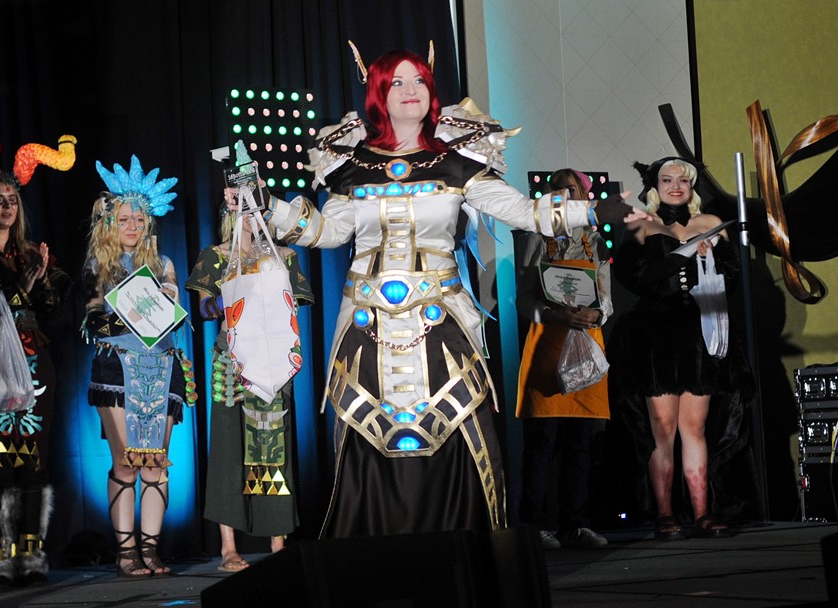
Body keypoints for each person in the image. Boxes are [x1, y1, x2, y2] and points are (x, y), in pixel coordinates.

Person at [239, 44, 647, 538]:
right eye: (397, 83)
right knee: (368, 433)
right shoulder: (350, 162)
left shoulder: (457, 159)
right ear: (379, 93)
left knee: (459, 429)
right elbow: (328, 232)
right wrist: (269, 206)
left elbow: (525, 212)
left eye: (419, 81)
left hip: (441, 321)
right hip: (368, 325)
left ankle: (466, 558)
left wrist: (597, 211)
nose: (410, 91)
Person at [608, 157, 752, 540]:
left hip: (698, 333)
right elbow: (632, 277)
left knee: (694, 427)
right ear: (655, 185)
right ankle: (665, 514)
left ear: (691, 187)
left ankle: (704, 513)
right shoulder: (641, 224)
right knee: (663, 428)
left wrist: (711, 261)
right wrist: (679, 258)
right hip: (655, 335)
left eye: (682, 180)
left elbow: (732, 278)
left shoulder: (709, 225)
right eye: (667, 179)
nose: (675, 186)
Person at [82, 155, 195, 577]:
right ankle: (126, 552)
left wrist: (161, 296)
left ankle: (151, 550)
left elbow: (171, 315)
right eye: (124, 218)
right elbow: (94, 319)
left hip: (161, 369)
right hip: (116, 369)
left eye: (139, 218)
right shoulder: (100, 266)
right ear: (111, 223)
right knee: (126, 462)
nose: (132, 225)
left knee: (155, 462)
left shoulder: (163, 264)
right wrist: (122, 308)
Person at [185, 200, 313, 571]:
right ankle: (228, 546)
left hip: (274, 356)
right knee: (229, 447)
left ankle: (277, 539)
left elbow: (294, 305)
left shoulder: (282, 255)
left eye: (256, 207)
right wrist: (230, 295)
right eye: (242, 207)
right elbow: (205, 308)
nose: (250, 215)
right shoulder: (215, 256)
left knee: (274, 444)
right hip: (233, 356)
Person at [0, 131, 75, 586]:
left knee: (32, 459)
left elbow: (54, 310)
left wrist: (43, 282)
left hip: (35, 367)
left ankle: (30, 555)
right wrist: (26, 290)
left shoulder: (31, 253)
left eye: (12, 199)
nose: (6, 206)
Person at [515, 169, 611, 549]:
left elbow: (605, 297)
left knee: (580, 444)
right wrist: (556, 314)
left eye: (571, 189)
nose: (564, 195)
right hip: (547, 347)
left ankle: (576, 523)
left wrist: (598, 314)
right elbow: (523, 301)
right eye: (557, 189)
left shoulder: (593, 241)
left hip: (587, 346)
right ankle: (534, 526)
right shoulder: (537, 238)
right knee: (541, 445)